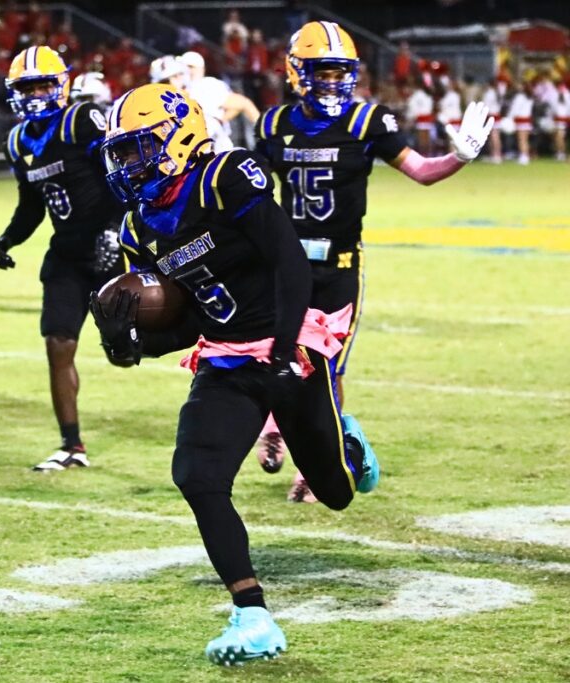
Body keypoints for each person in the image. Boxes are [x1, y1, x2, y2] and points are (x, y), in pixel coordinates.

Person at [93, 82, 380, 665]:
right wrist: (131, 345)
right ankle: (252, 613)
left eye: (138, 148)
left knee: (337, 493)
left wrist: (281, 351)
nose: (129, 164)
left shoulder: (225, 176)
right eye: (121, 153)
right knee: (196, 476)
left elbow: (288, 261)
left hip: (288, 344)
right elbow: (187, 317)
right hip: (224, 356)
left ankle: (348, 445)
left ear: (178, 136)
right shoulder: (137, 227)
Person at [253, 21, 492, 500]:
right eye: (322, 72)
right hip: (287, 265)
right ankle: (275, 425)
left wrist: (458, 157)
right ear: (297, 72)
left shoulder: (368, 121)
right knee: (275, 356)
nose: (333, 82)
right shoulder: (274, 125)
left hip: (339, 266)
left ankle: (317, 465)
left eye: (340, 72)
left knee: (328, 368)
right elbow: (252, 195)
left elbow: (421, 172)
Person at [0, 45, 125, 471]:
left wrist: (116, 233)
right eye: (27, 87)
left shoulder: (81, 120)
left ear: (62, 85)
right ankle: (71, 445)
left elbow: (120, 174)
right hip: (66, 254)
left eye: (44, 84)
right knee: (58, 342)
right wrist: (7, 240)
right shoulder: (17, 141)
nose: (35, 95)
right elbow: (32, 204)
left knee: (129, 347)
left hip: (109, 248)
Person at [179, 50, 259, 152]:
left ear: (201, 69)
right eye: (183, 66)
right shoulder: (180, 88)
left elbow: (244, 103)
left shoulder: (206, 85)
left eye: (190, 67)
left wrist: (266, 134)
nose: (186, 70)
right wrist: (220, 120)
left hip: (214, 148)